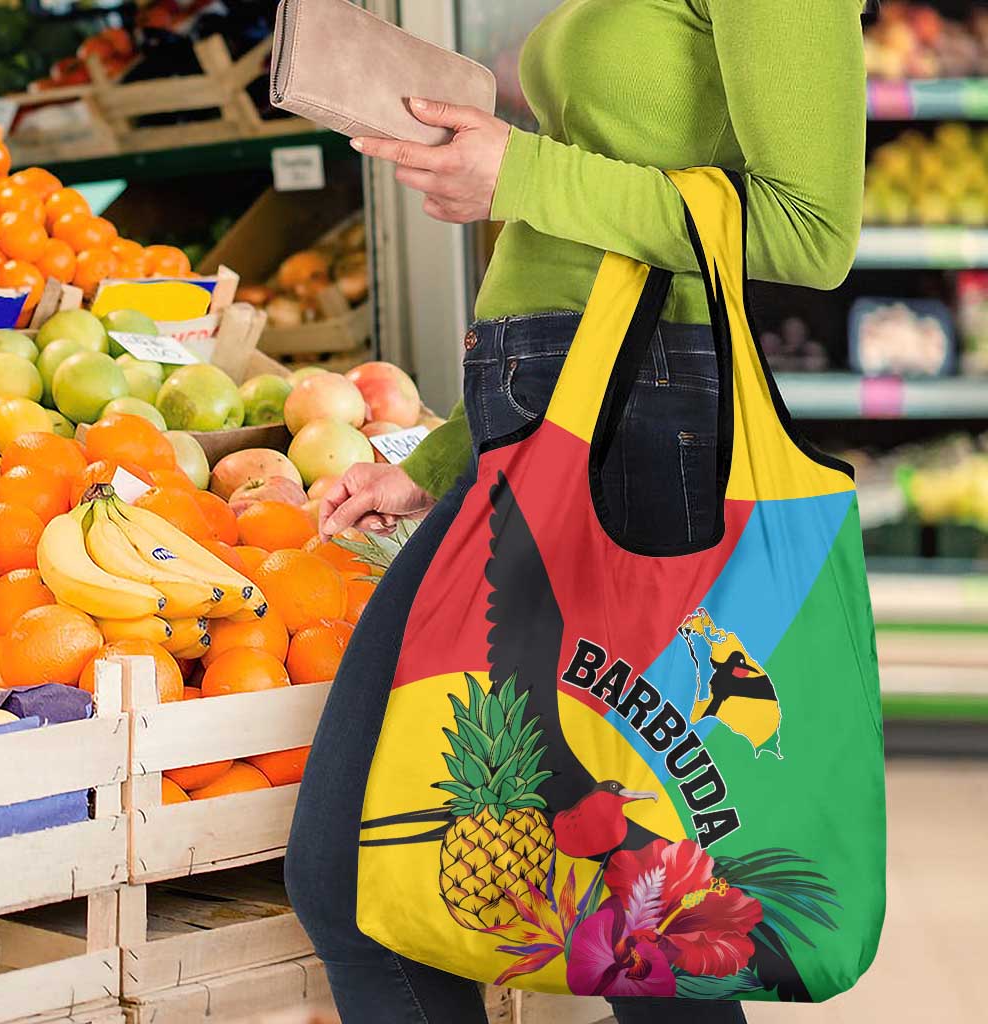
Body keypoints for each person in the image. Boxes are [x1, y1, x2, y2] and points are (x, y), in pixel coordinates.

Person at [285, 2, 868, 1021]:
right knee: (603, 920)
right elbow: (582, 248)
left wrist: (520, 172)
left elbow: (811, 230)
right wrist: (443, 458)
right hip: (547, 431)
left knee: (637, 924)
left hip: (640, 439)